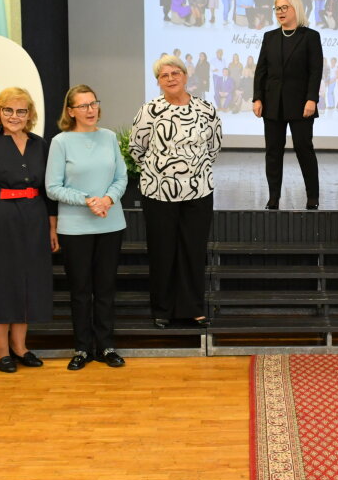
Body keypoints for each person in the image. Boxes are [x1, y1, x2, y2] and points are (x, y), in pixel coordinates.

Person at [0, 88, 57, 373]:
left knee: (27, 282)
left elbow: (48, 190)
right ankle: (1, 350)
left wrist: (52, 228)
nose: (14, 116)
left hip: (34, 217)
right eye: (8, 110)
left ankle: (20, 347)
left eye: (20, 111)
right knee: (0, 283)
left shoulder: (39, 144)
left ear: (30, 114)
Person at [130, 55, 222, 328]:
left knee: (193, 251)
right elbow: (137, 149)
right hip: (158, 193)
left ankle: (193, 308)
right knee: (162, 252)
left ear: (185, 75)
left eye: (175, 73)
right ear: (158, 81)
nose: (170, 79)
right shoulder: (149, 111)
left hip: (198, 192)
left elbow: (214, 147)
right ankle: (162, 309)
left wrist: (192, 171)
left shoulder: (206, 109)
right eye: (164, 75)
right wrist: (160, 172)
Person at [47, 85, 128, 371]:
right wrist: (87, 200)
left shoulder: (109, 137)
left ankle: (106, 346)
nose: (90, 110)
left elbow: (121, 177)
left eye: (93, 103)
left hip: (110, 223)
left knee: (105, 289)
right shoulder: (60, 142)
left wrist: (107, 199)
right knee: (80, 291)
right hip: (74, 228)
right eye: (82, 106)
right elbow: (52, 187)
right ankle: (82, 348)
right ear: (71, 112)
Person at [252, 0, 322, 210]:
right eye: (277, 9)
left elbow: (315, 71)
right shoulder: (270, 37)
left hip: (301, 104)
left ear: (295, 8)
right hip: (273, 103)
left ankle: (312, 196)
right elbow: (261, 70)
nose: (280, 12)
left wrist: (311, 99)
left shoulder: (310, 36)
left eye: (284, 8)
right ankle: (273, 197)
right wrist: (257, 98)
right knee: (273, 151)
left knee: (303, 148)